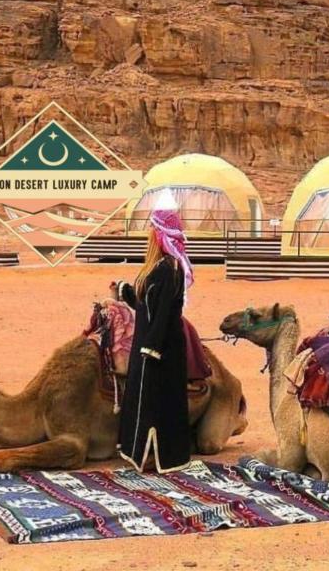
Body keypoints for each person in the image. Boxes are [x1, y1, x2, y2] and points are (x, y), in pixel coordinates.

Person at [111, 192, 194, 473]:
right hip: (149, 345)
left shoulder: (168, 270)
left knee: (154, 402)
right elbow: (147, 307)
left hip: (160, 350)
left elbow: (162, 316)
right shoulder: (159, 270)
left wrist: (151, 349)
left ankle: (157, 455)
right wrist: (126, 293)